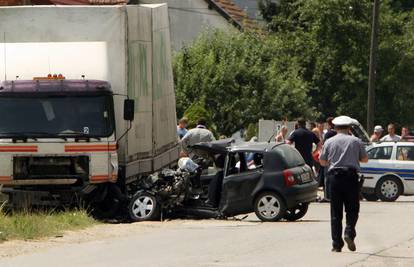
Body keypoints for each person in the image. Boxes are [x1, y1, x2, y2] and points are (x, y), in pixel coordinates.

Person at [319, 116, 368, 253]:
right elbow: (364, 159)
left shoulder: (329, 141)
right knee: (352, 209)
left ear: (335, 128)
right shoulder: (356, 141)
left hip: (334, 178)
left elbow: (322, 162)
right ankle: (349, 232)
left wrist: (333, 161)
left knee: (336, 212)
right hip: (351, 177)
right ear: (349, 127)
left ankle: (336, 245)